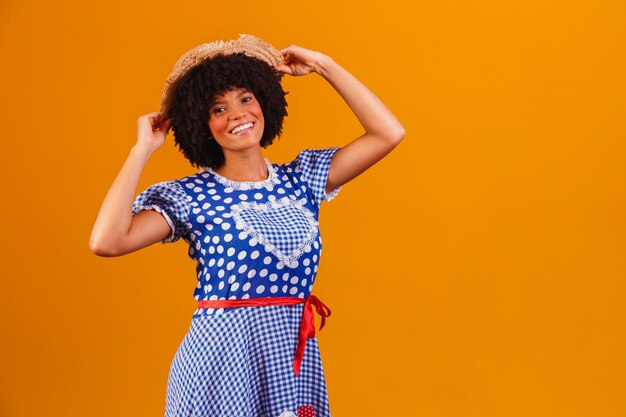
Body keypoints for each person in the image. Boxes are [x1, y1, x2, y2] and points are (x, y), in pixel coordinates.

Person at [89, 34, 405, 417]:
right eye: (217, 108)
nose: (237, 114)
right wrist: (141, 150)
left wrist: (323, 65)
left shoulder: (301, 179)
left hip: (289, 358)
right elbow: (107, 241)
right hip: (220, 364)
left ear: (263, 101)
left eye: (244, 98)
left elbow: (388, 133)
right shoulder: (192, 197)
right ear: (202, 126)